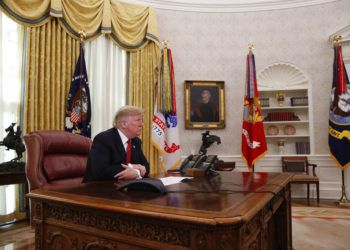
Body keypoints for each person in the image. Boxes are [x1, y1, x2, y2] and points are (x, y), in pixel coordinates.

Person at [83, 105, 149, 182]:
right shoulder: (103, 139)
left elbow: (146, 166)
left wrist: (138, 171)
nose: (142, 124)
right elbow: (100, 171)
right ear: (124, 124)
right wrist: (135, 170)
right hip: (97, 189)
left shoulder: (136, 141)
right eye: (138, 120)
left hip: (123, 187)